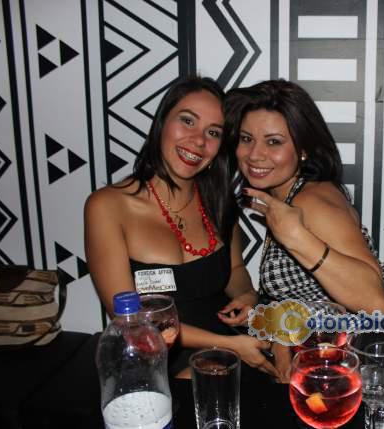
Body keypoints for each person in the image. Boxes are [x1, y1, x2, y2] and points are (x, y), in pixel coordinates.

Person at [84, 75, 278, 379]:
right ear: (162, 123)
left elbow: (235, 270)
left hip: (235, 351)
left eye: (213, 132)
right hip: (157, 362)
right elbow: (130, 320)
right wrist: (228, 347)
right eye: (187, 121)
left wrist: (247, 295)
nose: (199, 140)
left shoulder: (218, 201)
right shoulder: (107, 206)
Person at [220, 79, 384, 380]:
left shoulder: (310, 201)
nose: (254, 154)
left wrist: (295, 237)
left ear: (303, 150)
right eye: (246, 139)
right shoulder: (286, 197)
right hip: (352, 349)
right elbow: (311, 294)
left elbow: (374, 303)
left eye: (274, 142)